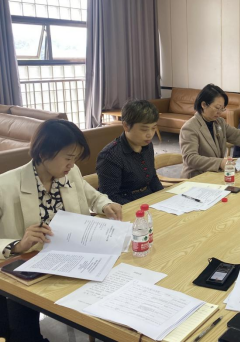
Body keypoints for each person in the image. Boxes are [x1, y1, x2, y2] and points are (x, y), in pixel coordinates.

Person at [0, 120, 122, 342]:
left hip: (72, 261)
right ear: (44, 153)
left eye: (75, 158)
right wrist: (17, 245)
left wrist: (105, 204)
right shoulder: (5, 186)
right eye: (68, 157)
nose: (72, 164)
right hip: (28, 268)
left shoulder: (70, 173)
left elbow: (92, 196)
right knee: (21, 325)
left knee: (114, 290)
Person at [180, 84, 240, 179]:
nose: (220, 112)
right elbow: (190, 158)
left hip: (215, 175)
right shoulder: (190, 127)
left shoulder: (219, 122)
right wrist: (220, 163)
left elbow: (237, 135)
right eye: (217, 108)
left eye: (222, 109)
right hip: (196, 178)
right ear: (203, 105)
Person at [97, 100, 164, 204]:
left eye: (153, 128)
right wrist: (138, 207)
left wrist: (163, 196)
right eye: (144, 129)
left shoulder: (147, 145)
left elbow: (152, 178)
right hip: (126, 204)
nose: (150, 134)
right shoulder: (110, 155)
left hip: (148, 197)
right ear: (126, 126)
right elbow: (110, 196)